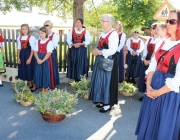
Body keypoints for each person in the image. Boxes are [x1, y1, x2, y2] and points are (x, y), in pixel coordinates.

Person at [136, 10, 180, 140]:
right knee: (148, 123)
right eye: (167, 21)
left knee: (162, 129)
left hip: (168, 93)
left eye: (172, 21)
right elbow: (152, 66)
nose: (168, 23)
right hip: (153, 87)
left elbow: (177, 81)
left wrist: (156, 93)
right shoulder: (162, 42)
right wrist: (148, 84)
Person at [88, 14, 119, 113]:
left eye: (103, 21)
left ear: (109, 22)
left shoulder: (114, 34)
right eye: (101, 21)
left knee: (107, 82)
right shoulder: (102, 33)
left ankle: (107, 103)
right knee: (100, 80)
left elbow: (113, 50)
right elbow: (99, 46)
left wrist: (100, 52)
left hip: (108, 61)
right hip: (100, 59)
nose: (101, 22)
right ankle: (101, 100)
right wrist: (95, 50)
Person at [137, 23, 160, 100]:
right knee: (144, 77)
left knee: (151, 77)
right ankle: (145, 93)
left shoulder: (160, 40)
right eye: (152, 28)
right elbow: (145, 50)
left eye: (155, 29)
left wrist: (150, 61)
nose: (153, 30)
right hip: (146, 58)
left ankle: (150, 94)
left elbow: (157, 53)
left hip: (154, 60)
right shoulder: (149, 39)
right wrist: (144, 59)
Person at [33, 27, 54, 92]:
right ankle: (42, 87)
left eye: (42, 33)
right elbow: (35, 51)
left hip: (45, 60)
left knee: (45, 73)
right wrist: (38, 59)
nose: (40, 34)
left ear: (46, 33)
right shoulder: (38, 41)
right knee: (39, 73)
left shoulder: (49, 42)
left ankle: (45, 88)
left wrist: (42, 60)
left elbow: (49, 53)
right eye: (39, 33)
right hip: (38, 58)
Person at [17, 24, 36, 90]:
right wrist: (18, 58)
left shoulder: (31, 37)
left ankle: (34, 85)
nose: (24, 30)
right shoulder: (19, 38)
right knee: (24, 68)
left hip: (28, 54)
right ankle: (29, 84)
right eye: (23, 29)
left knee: (29, 69)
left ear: (28, 30)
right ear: (21, 30)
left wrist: (30, 58)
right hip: (22, 54)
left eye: (25, 29)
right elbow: (19, 48)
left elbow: (33, 49)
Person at [44, 20, 59, 87]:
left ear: (50, 26)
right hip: (43, 53)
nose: (45, 26)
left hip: (51, 53)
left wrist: (47, 50)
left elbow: (54, 45)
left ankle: (51, 83)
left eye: (46, 25)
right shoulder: (43, 34)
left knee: (51, 67)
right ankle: (45, 83)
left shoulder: (54, 35)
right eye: (44, 25)